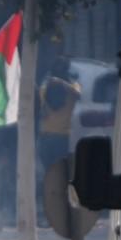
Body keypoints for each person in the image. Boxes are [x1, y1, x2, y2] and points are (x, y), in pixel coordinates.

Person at [37, 57, 81, 226]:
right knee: (60, 178)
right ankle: (58, 213)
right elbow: (78, 94)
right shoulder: (70, 88)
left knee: (51, 177)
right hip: (58, 139)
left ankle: (52, 214)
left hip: (48, 139)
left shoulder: (47, 87)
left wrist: (57, 82)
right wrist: (63, 83)